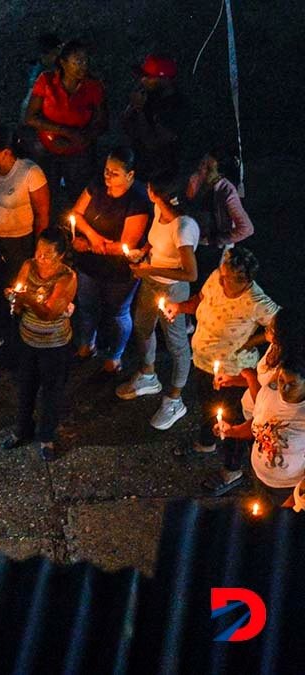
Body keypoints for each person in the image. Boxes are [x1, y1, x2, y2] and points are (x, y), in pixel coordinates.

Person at [163, 248, 278, 489]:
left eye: (227, 277)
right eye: (221, 273)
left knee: (233, 421)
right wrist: (179, 307)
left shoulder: (256, 302)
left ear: (244, 281)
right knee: (207, 406)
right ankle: (207, 443)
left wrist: (250, 342)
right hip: (203, 362)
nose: (220, 278)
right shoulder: (218, 276)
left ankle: (232, 471)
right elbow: (201, 300)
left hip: (234, 373)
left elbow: (282, 329)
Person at [116, 177, 199, 430]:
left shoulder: (183, 228)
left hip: (173, 289)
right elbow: (155, 237)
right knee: (143, 326)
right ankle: (148, 374)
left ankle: (175, 398)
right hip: (150, 281)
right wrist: (143, 251)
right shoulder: (159, 209)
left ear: (153, 193)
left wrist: (149, 269)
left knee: (176, 344)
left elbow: (190, 273)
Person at [69, 147, 151, 373]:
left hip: (119, 271)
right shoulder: (97, 185)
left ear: (130, 175)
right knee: (86, 307)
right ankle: (87, 344)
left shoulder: (137, 201)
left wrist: (89, 245)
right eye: (106, 170)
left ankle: (114, 355)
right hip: (90, 264)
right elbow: (76, 213)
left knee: (118, 313)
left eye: (114, 173)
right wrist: (94, 237)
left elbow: (127, 245)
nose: (107, 176)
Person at [1, 227, 77, 460]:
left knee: (51, 392)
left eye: (47, 253)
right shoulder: (29, 266)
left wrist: (26, 299)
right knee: (25, 387)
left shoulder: (67, 278)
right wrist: (15, 299)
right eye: (38, 250)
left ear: (60, 255)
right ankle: (21, 429)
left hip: (54, 346)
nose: (40, 256)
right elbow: (19, 293)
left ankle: (46, 436)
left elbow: (49, 313)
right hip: (28, 341)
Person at [25, 40, 107, 210]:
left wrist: (82, 139)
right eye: (77, 61)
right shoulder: (46, 81)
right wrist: (66, 132)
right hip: (48, 147)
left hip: (79, 151)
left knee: (79, 195)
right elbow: (31, 117)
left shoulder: (93, 86)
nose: (83, 66)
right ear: (63, 63)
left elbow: (102, 122)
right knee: (46, 193)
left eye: (85, 61)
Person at [216, 351, 305, 508]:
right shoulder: (270, 392)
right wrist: (232, 431)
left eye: (292, 384)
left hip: (288, 489)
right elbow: (259, 424)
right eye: (282, 380)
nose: (284, 387)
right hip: (259, 476)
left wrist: (297, 499)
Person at [0, 125, 50, 286]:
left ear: (6, 152)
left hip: (17, 244)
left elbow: (42, 214)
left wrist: (39, 247)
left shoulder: (30, 173)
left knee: (11, 285)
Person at [187, 147, 254, 279]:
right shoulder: (196, 179)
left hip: (211, 248)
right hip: (192, 238)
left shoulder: (227, 192)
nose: (202, 169)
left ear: (220, 173)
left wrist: (216, 239)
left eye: (209, 169)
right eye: (202, 164)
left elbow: (246, 229)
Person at [121, 53, 185, 182]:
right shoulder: (148, 95)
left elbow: (153, 143)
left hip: (160, 175)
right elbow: (127, 127)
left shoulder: (176, 108)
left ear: (164, 80)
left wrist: (139, 110)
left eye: (148, 77)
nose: (142, 80)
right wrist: (132, 107)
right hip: (138, 166)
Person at [18, 33, 62, 122]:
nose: (58, 57)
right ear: (43, 54)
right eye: (55, 54)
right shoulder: (36, 73)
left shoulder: (57, 70)